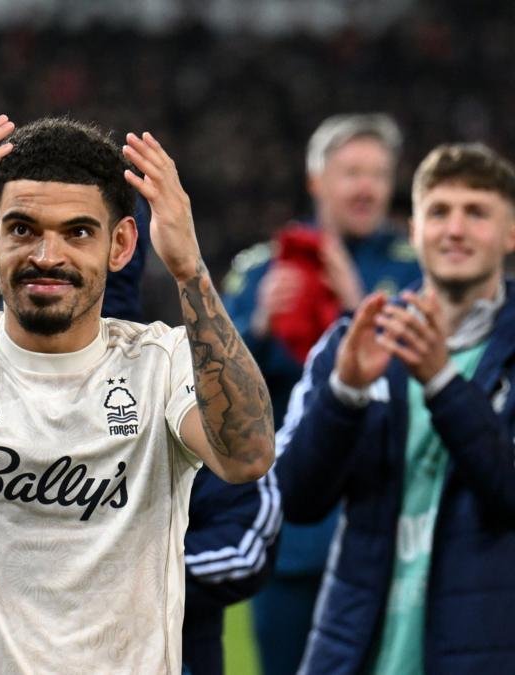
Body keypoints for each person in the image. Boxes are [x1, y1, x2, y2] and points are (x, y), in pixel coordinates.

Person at [0, 115, 275, 672]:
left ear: (121, 244)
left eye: (78, 232)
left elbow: (247, 456)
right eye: (23, 229)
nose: (47, 256)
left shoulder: (162, 362)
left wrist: (189, 269)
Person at [275, 142, 515, 673]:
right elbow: (293, 495)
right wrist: (345, 393)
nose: (455, 229)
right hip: (357, 655)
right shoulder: (355, 342)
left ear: (510, 234)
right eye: (439, 211)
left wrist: (443, 382)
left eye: (477, 213)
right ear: (414, 230)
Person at [221, 113, 422, 675]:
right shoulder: (260, 272)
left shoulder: (416, 270)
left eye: (378, 174)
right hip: (292, 533)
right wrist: (259, 327)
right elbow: (212, 390)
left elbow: (428, 381)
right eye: (352, 172)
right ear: (316, 181)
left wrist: (358, 306)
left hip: (387, 523)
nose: (367, 187)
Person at [104, 197, 281, 675]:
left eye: (79, 232)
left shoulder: (174, 375)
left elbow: (244, 541)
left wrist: (113, 579)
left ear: (122, 245)